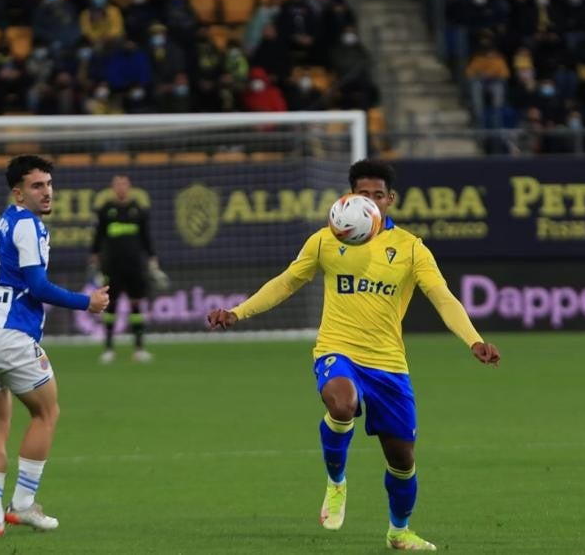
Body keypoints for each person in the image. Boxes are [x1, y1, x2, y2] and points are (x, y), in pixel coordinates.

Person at [207, 160, 501, 551]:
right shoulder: (326, 240)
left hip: (389, 365)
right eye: (363, 194)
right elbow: (286, 282)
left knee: (402, 462)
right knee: (342, 405)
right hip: (337, 349)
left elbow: (442, 297)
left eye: (378, 194)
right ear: (349, 196)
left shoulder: (411, 248)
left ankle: (399, 531)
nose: (371, 201)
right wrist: (237, 311)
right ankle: (336, 482)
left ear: (390, 199)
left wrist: (473, 339)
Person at [0, 156, 110, 536]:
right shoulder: (28, 225)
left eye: (49, 184)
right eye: (37, 186)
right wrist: (87, 302)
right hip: (9, 336)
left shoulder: (2, 224)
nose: (47, 192)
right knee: (47, 413)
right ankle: (23, 505)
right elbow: (38, 287)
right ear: (18, 193)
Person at [90, 174, 160, 363]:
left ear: (129, 187)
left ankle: (138, 349)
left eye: (124, 185)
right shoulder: (106, 210)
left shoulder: (138, 209)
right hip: (112, 267)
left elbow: (146, 237)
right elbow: (98, 237)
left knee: (136, 304)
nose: (121, 188)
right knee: (110, 306)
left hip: (134, 267)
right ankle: (108, 349)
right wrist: (94, 259)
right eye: (117, 185)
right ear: (113, 188)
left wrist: (152, 258)